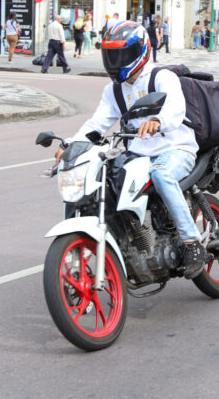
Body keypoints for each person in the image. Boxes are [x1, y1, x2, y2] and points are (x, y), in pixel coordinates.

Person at [54, 20, 205, 279]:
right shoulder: (114, 90)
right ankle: (128, 237)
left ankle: (192, 243)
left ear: (140, 51)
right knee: (103, 177)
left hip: (175, 148)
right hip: (139, 154)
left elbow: (176, 109)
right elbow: (97, 124)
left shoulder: (161, 77)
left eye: (122, 54)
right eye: (112, 55)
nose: (116, 61)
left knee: (161, 174)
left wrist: (158, 121)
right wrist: (71, 145)